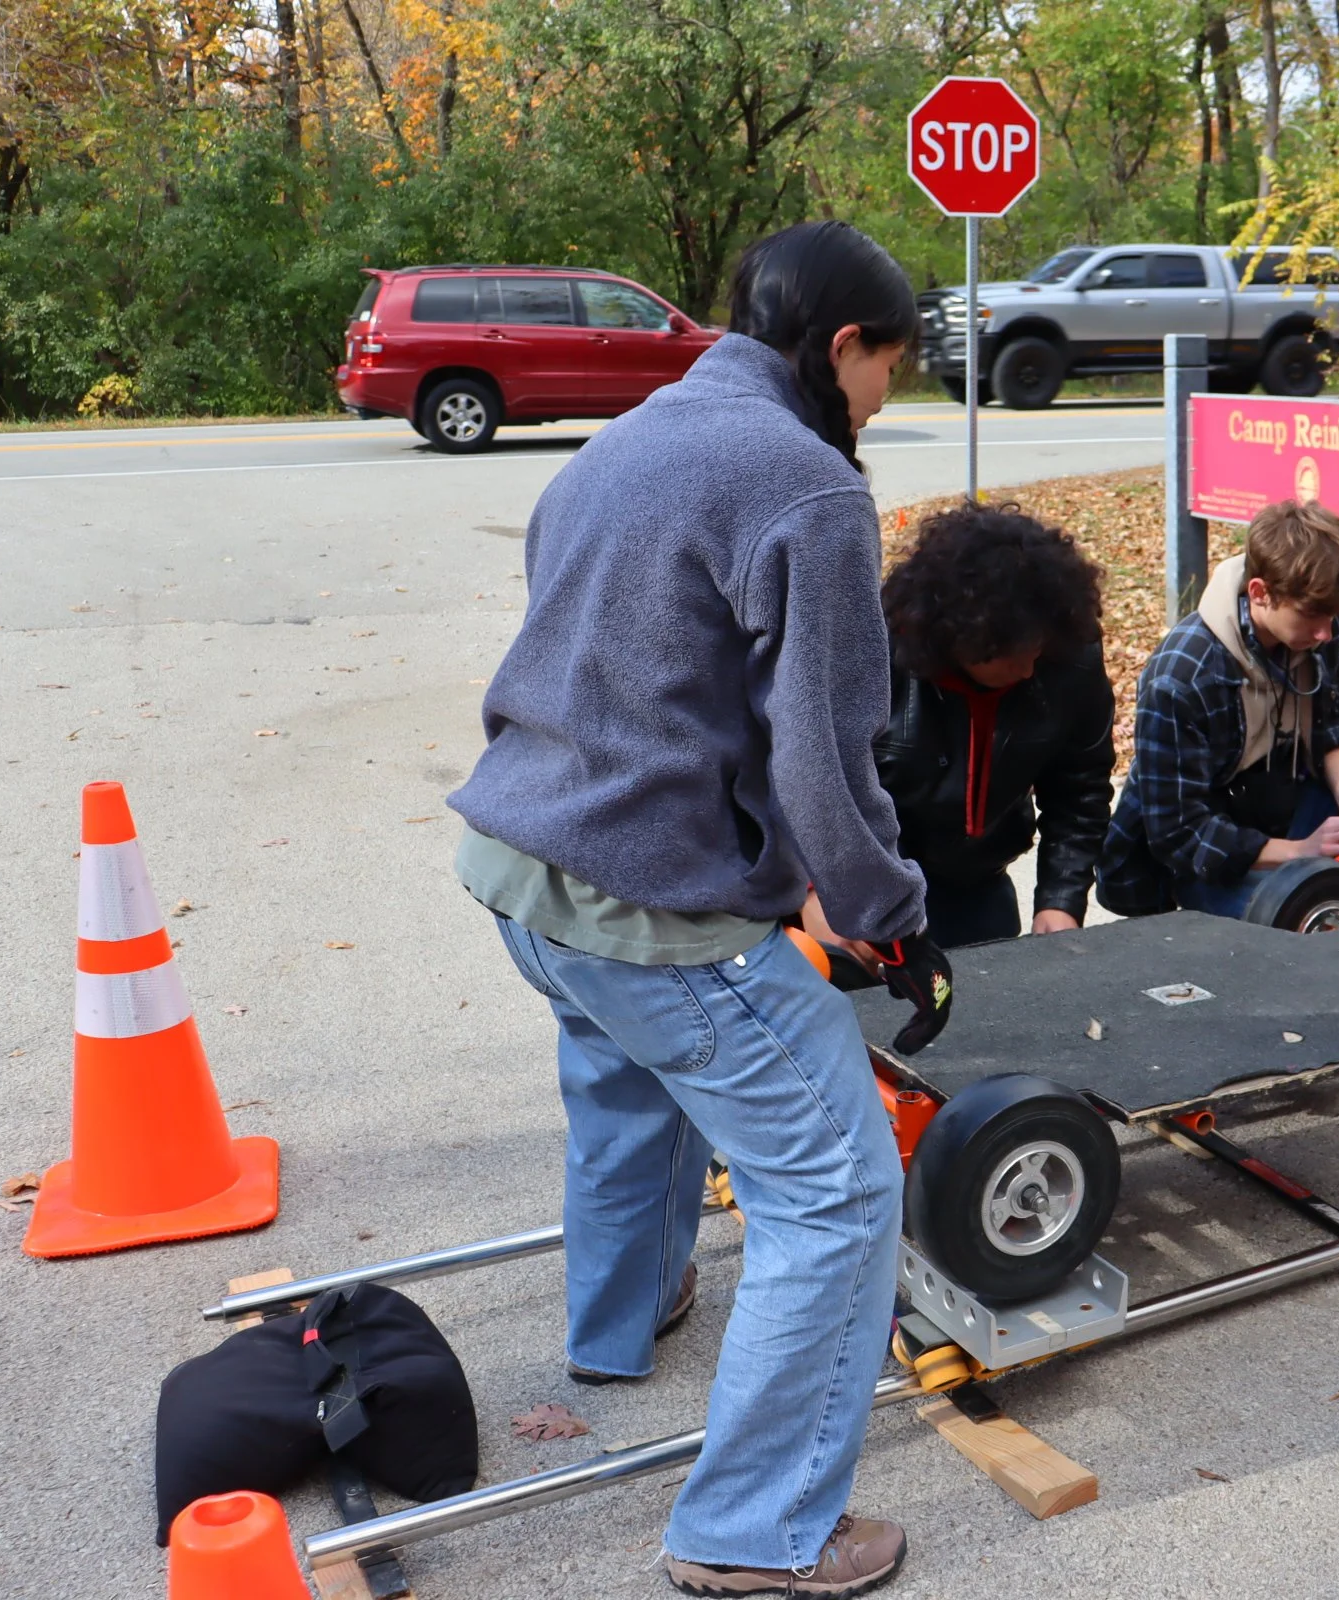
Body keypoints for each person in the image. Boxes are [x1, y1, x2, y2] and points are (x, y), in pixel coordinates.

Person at [447, 219, 952, 1596]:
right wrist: (884, 910)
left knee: (632, 1085)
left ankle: (620, 1325)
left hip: (520, 874)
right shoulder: (808, 487)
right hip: (648, 909)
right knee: (840, 1192)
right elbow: (826, 756)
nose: (882, 405)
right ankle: (757, 1532)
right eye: (887, 373)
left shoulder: (622, 440)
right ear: (841, 346)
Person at [1096, 498, 1339, 920]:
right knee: (1291, 922)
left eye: (1334, 616)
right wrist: (1300, 853)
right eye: (1313, 616)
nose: (1326, 632)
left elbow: (1332, 718)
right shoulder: (1182, 677)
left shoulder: (1319, 622)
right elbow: (1179, 835)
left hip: (1288, 805)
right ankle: (1323, 920)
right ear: (1260, 593)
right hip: (1212, 858)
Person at [803, 502, 1111, 959]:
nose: (1028, 671)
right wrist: (818, 888)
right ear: (959, 637)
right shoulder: (874, 654)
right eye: (1009, 655)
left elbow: (1080, 789)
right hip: (872, 883)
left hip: (978, 886)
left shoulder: (1068, 656)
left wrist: (1060, 901)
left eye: (1037, 651)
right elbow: (811, 779)